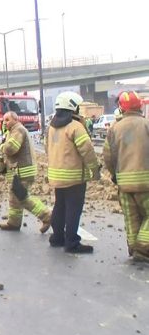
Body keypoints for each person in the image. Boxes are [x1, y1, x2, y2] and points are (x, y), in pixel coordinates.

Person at [46, 91, 101, 254]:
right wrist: (94, 171)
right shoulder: (76, 127)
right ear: (72, 107)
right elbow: (88, 151)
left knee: (59, 206)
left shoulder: (51, 126)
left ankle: (57, 238)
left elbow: (47, 148)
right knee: (73, 209)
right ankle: (72, 243)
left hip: (57, 175)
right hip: (74, 176)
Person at [103, 91, 149, 262]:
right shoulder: (146, 124)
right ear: (139, 106)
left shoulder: (114, 128)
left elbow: (108, 156)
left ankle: (133, 248)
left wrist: (115, 175)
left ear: (121, 108)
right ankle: (142, 247)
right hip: (146, 182)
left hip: (123, 183)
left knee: (131, 218)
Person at [0, 111, 52, 232]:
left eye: (7, 120)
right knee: (14, 197)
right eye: (4, 120)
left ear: (15, 120)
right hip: (19, 172)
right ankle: (14, 222)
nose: (5, 123)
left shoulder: (18, 130)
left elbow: (11, 148)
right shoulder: (12, 131)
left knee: (22, 197)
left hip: (23, 172)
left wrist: (1, 146)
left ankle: (47, 216)